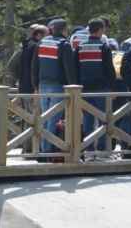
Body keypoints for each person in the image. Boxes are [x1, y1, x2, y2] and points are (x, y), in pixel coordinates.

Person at [31, 18, 76, 156]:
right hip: (58, 85)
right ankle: (48, 151)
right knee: (53, 119)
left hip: (43, 84)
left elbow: (34, 65)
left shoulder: (42, 42)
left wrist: (35, 84)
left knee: (45, 118)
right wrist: (72, 86)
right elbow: (69, 68)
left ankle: (42, 150)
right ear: (64, 30)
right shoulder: (64, 45)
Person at [75, 18, 116, 159]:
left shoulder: (80, 46)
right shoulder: (104, 47)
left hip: (84, 88)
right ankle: (103, 150)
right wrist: (112, 87)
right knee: (104, 119)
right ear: (100, 30)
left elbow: (76, 68)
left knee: (87, 119)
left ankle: (89, 149)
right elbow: (109, 69)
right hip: (101, 88)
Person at [15, 24, 49, 95]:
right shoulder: (36, 46)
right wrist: (36, 86)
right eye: (47, 35)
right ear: (39, 35)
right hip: (32, 86)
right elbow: (35, 67)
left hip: (23, 83)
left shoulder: (26, 45)